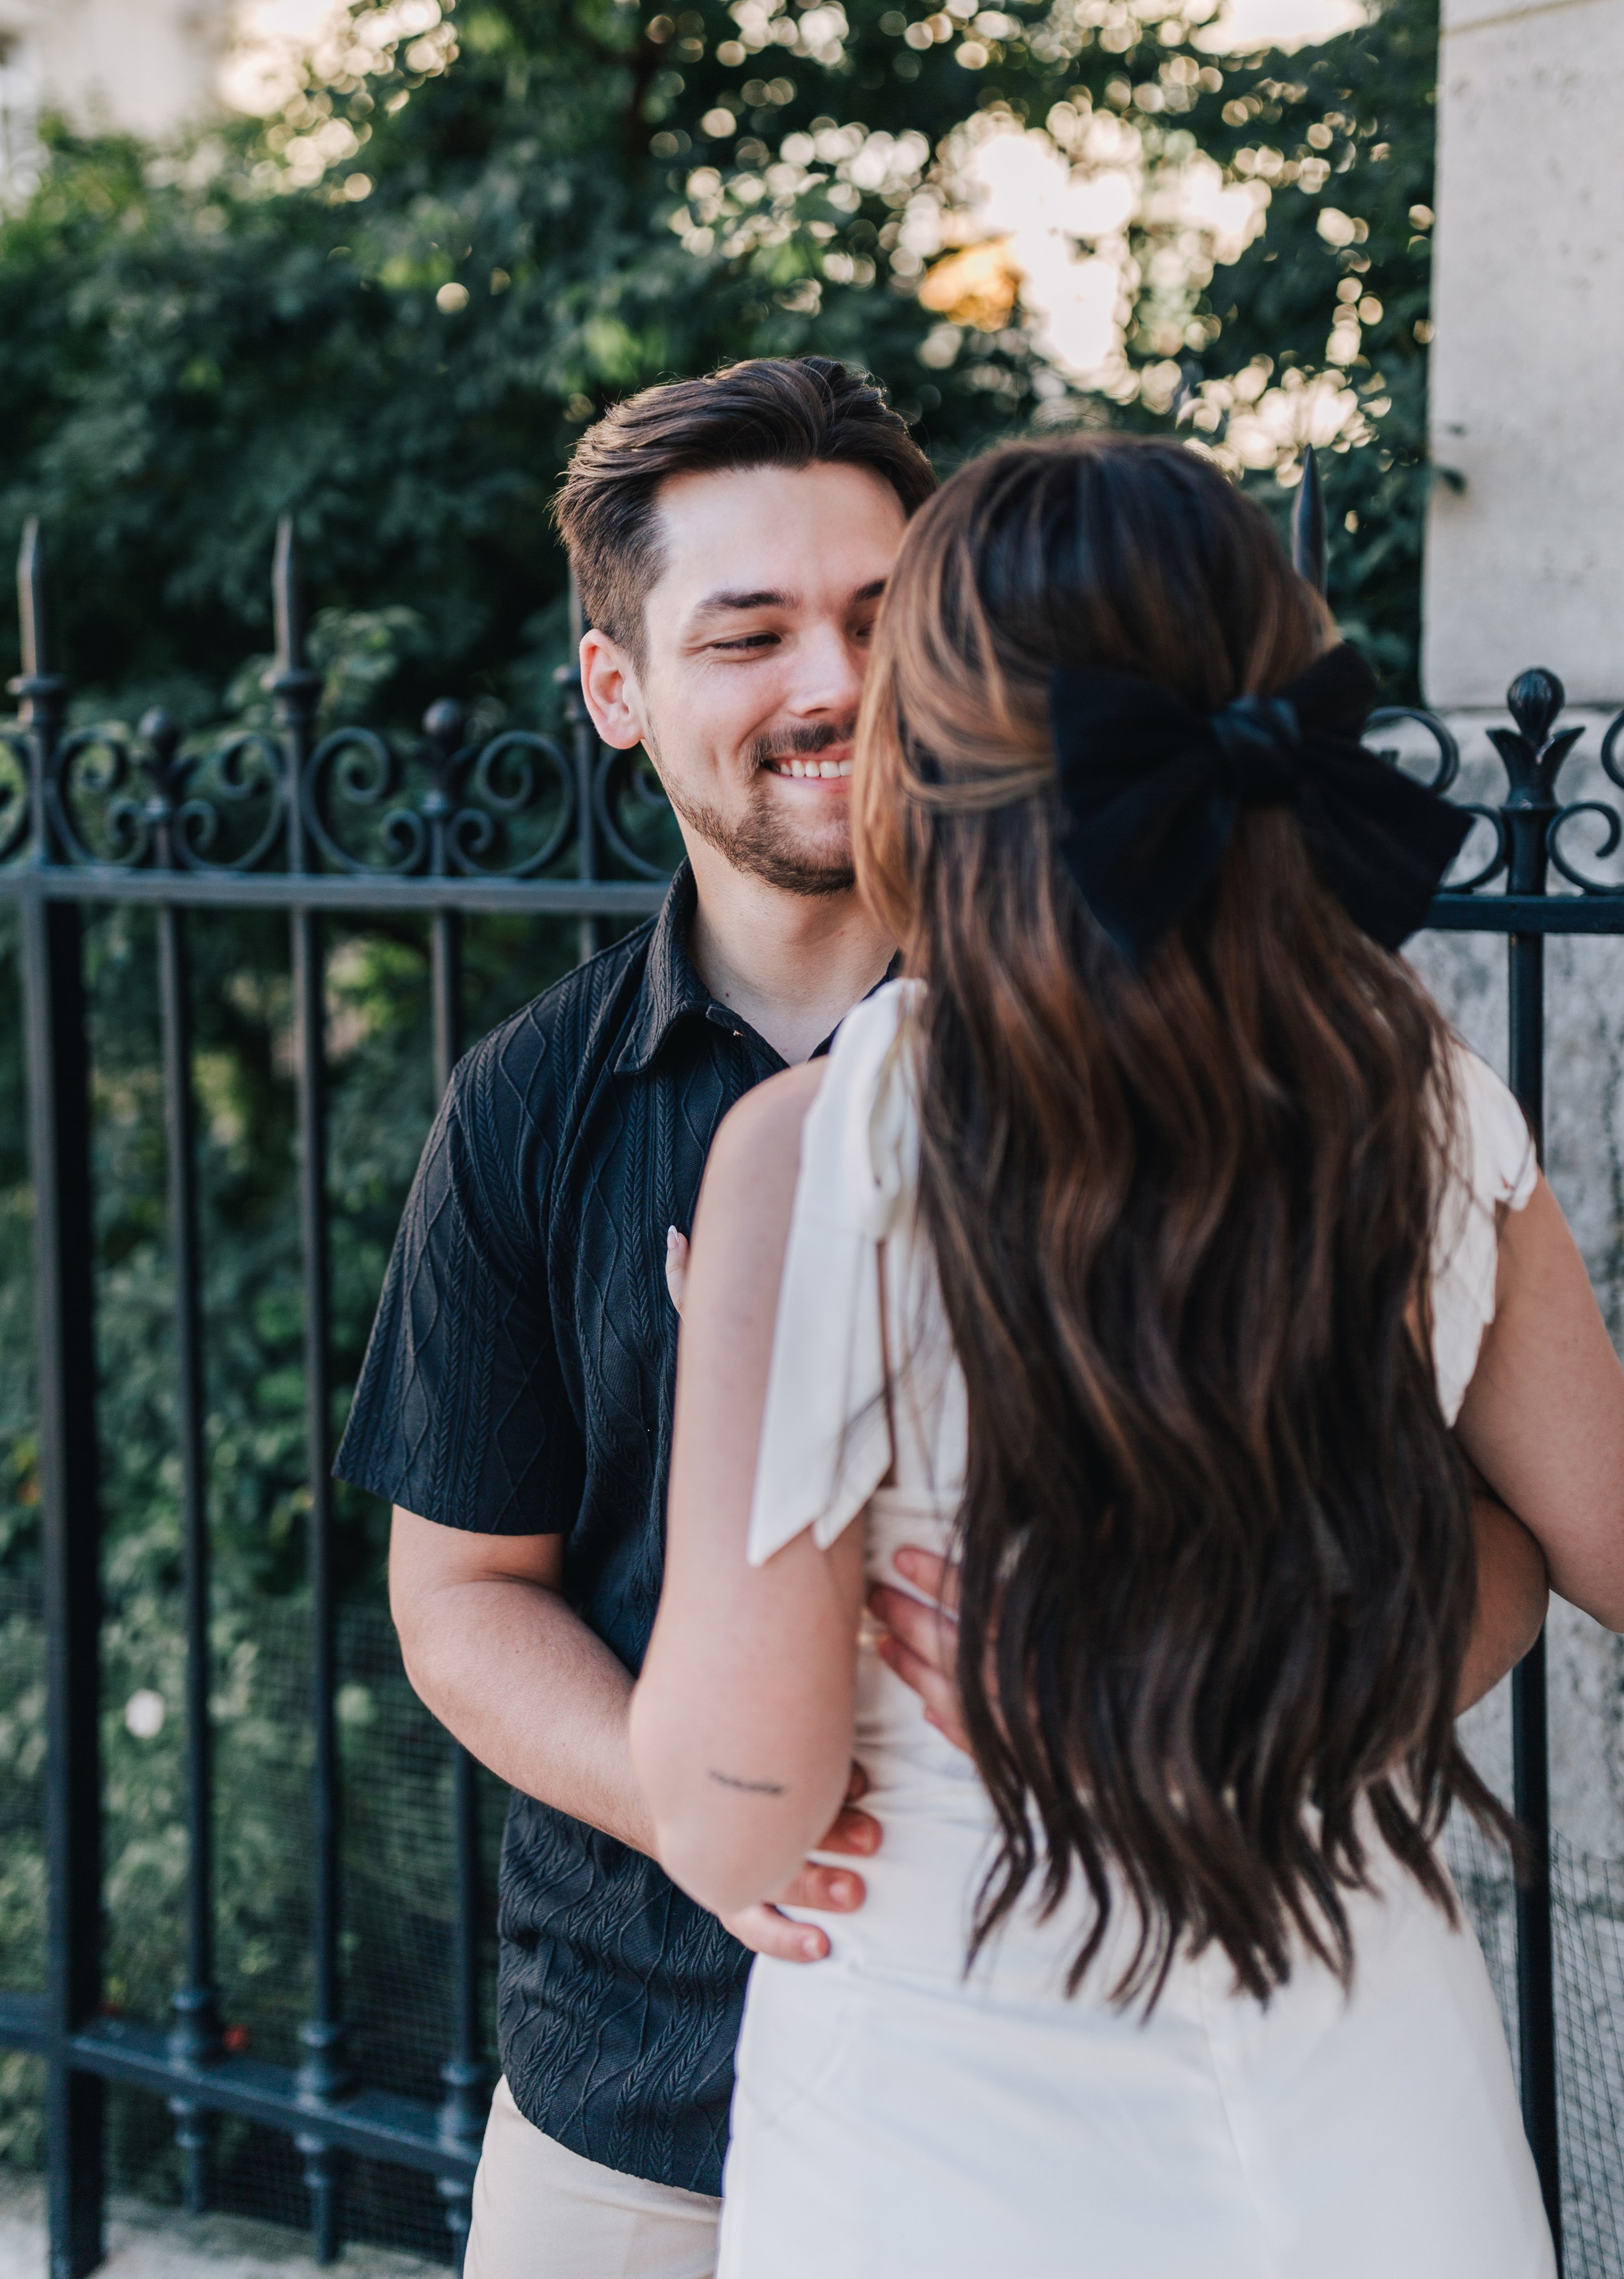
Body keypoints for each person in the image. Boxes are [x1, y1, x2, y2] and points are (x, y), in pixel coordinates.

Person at [629, 433, 1624, 2278]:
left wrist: (726, 1375)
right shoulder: (1421, 1098)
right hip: (1375, 2106)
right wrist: (1382, 1609)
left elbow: (733, 1808)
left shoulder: (819, 1151)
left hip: (952, 2124)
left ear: (932, 764)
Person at [335, 356, 964, 2278]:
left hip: (1036, 2073)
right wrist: (715, 1820)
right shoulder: (529, 1107)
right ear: (619, 693)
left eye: (875, 619)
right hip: (641, 2099)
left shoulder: (1121, 1064)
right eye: (748, 632)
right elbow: (460, 1596)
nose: (831, 686)